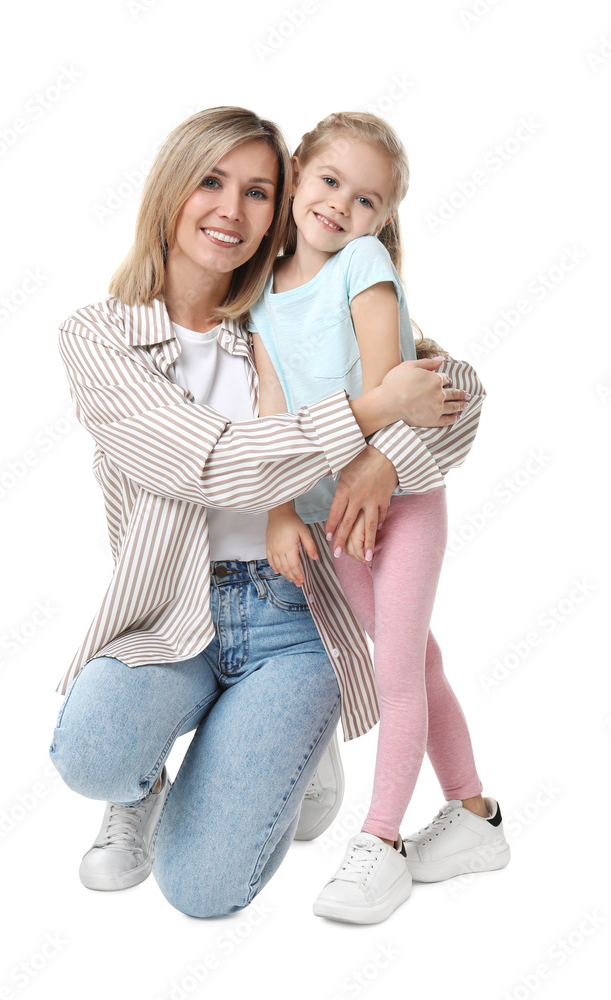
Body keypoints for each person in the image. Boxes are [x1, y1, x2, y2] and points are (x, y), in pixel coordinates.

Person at [47, 106, 471, 919]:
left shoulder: (285, 310)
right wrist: (369, 415)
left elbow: (458, 391)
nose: (230, 210)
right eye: (210, 182)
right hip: (175, 609)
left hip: (299, 609)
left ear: (279, 209)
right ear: (169, 192)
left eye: (256, 191)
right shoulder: (99, 339)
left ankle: (289, 744)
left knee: (202, 894)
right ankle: (144, 782)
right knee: (94, 754)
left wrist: (384, 454)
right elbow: (204, 461)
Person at [249, 111, 510, 925]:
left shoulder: (360, 263)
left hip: (397, 499)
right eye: (329, 182)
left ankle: (379, 840)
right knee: (415, 665)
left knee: (394, 672)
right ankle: (472, 816)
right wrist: (279, 510)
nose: (340, 207)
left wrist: (373, 466)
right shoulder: (258, 297)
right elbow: (268, 415)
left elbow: (387, 384)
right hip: (334, 521)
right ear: (297, 172)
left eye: (366, 201)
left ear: (380, 220)